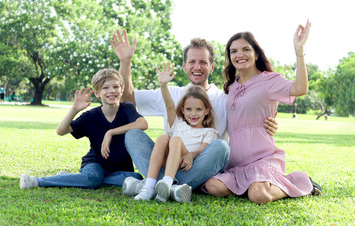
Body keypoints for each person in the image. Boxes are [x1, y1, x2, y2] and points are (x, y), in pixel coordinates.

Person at [110, 30, 278, 202]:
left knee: (221, 147)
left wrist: (269, 122)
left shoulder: (225, 99)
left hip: (200, 165)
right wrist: (125, 61)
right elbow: (128, 97)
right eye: (192, 62)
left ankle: (151, 185)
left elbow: (250, 112)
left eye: (203, 62)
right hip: (169, 161)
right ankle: (171, 187)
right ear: (184, 66)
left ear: (211, 67)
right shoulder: (172, 92)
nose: (197, 67)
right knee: (133, 135)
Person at [204, 20, 322, 204]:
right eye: (233, 51)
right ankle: (252, 185)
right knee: (213, 186)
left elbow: (300, 88)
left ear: (256, 53)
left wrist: (299, 50)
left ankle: (299, 180)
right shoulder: (232, 86)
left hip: (263, 158)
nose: (239, 55)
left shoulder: (269, 80)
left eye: (245, 49)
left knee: (258, 195)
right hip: (236, 163)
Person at [20, 69, 148, 190]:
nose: (112, 91)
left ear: (121, 90)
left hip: (120, 169)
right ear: (97, 94)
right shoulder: (91, 116)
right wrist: (74, 110)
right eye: (105, 88)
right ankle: (38, 181)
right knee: (93, 178)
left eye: (116, 87)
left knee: (135, 177)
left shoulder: (127, 108)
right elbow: (61, 130)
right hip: (95, 164)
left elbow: (143, 124)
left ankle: (73, 178)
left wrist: (110, 132)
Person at [134, 63, 219, 203]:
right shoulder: (178, 124)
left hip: (187, 166)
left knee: (175, 140)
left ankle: (167, 184)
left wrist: (190, 156)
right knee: (162, 138)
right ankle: (149, 186)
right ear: (183, 110)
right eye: (189, 109)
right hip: (168, 163)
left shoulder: (209, 132)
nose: (193, 114)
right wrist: (163, 85)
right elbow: (169, 105)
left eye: (198, 109)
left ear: (206, 110)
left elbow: (201, 151)